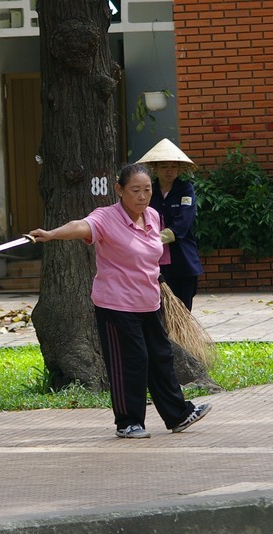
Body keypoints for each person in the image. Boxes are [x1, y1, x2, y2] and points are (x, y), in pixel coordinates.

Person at [28, 163, 211, 439]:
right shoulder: (106, 218)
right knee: (131, 361)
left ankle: (178, 415)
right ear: (119, 190)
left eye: (147, 190)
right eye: (135, 190)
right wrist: (51, 234)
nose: (142, 196)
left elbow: (150, 256)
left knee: (160, 358)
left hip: (149, 302)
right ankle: (128, 422)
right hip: (116, 305)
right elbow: (81, 227)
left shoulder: (152, 216)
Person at [136, 138, 203, 311]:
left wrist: (154, 240)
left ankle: (183, 338)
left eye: (173, 166)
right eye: (164, 166)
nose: (169, 171)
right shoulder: (148, 190)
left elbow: (183, 223)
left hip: (182, 258)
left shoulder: (185, 189)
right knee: (158, 308)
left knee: (183, 306)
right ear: (155, 168)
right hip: (153, 260)